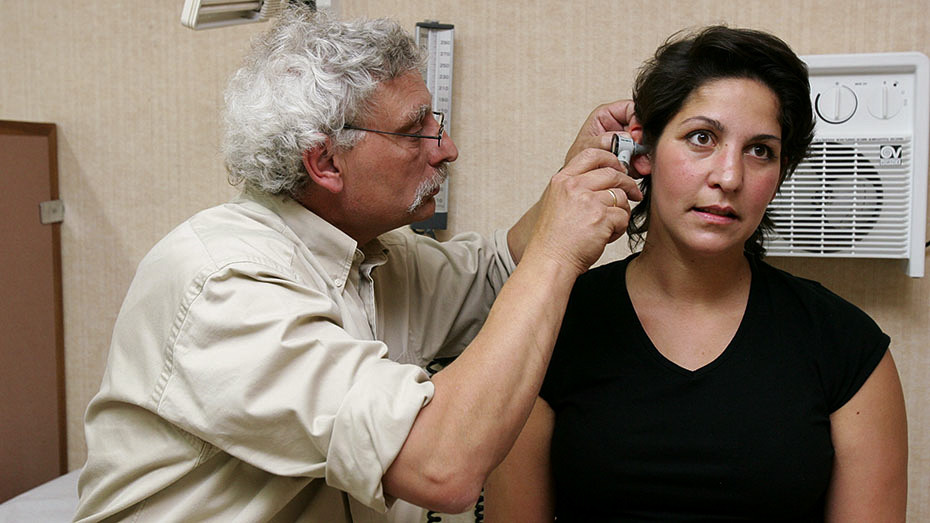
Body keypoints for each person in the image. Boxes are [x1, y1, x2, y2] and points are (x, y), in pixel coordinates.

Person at [73, 5, 644, 523]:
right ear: (325, 161)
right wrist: (558, 251)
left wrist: (580, 172)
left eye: (435, 121)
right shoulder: (225, 283)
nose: (446, 148)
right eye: (413, 131)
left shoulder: (370, 254)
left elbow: (498, 270)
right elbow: (441, 467)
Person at [485, 26, 908, 522]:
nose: (729, 176)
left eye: (760, 150)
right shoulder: (550, 327)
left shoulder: (847, 348)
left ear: (780, 174)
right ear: (642, 152)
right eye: (701, 138)